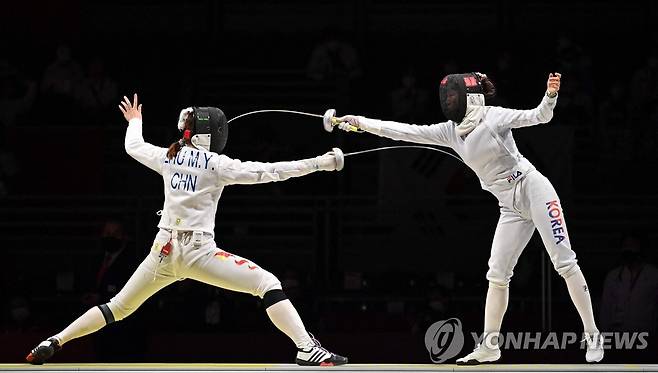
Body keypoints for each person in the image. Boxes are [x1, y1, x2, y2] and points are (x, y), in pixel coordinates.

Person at [26, 94, 348, 366]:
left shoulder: (169, 157)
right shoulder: (217, 165)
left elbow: (133, 146)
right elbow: (272, 172)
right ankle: (306, 348)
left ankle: (56, 340)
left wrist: (134, 120)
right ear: (209, 136)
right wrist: (323, 162)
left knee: (118, 307)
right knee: (266, 283)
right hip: (198, 253)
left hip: (162, 253)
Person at [333, 72, 604, 364]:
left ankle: (592, 335)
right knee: (497, 275)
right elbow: (403, 131)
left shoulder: (494, 117)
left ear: (469, 96)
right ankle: (490, 346)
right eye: (446, 96)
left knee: (564, 262)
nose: (448, 100)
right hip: (510, 208)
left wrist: (550, 96)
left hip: (534, 189)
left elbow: (540, 117)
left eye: (453, 95)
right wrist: (360, 122)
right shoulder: (449, 132)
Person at [600, 232, 658, 334]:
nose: (629, 249)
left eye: (632, 246)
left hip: (646, 335)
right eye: (626, 246)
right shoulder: (613, 276)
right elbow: (606, 308)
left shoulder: (653, 275)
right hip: (618, 334)